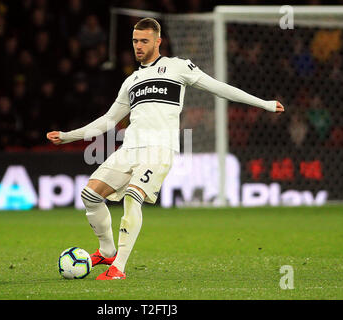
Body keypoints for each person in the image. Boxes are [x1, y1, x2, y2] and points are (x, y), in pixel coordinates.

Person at [46, 18, 285, 280]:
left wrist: (263, 103)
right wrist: (69, 136)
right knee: (90, 195)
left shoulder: (177, 67)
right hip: (130, 149)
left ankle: (118, 268)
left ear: (158, 41)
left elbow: (218, 87)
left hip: (159, 149)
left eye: (144, 41)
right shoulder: (131, 81)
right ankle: (107, 251)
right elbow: (108, 120)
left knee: (132, 197)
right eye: (135, 41)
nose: (138, 46)